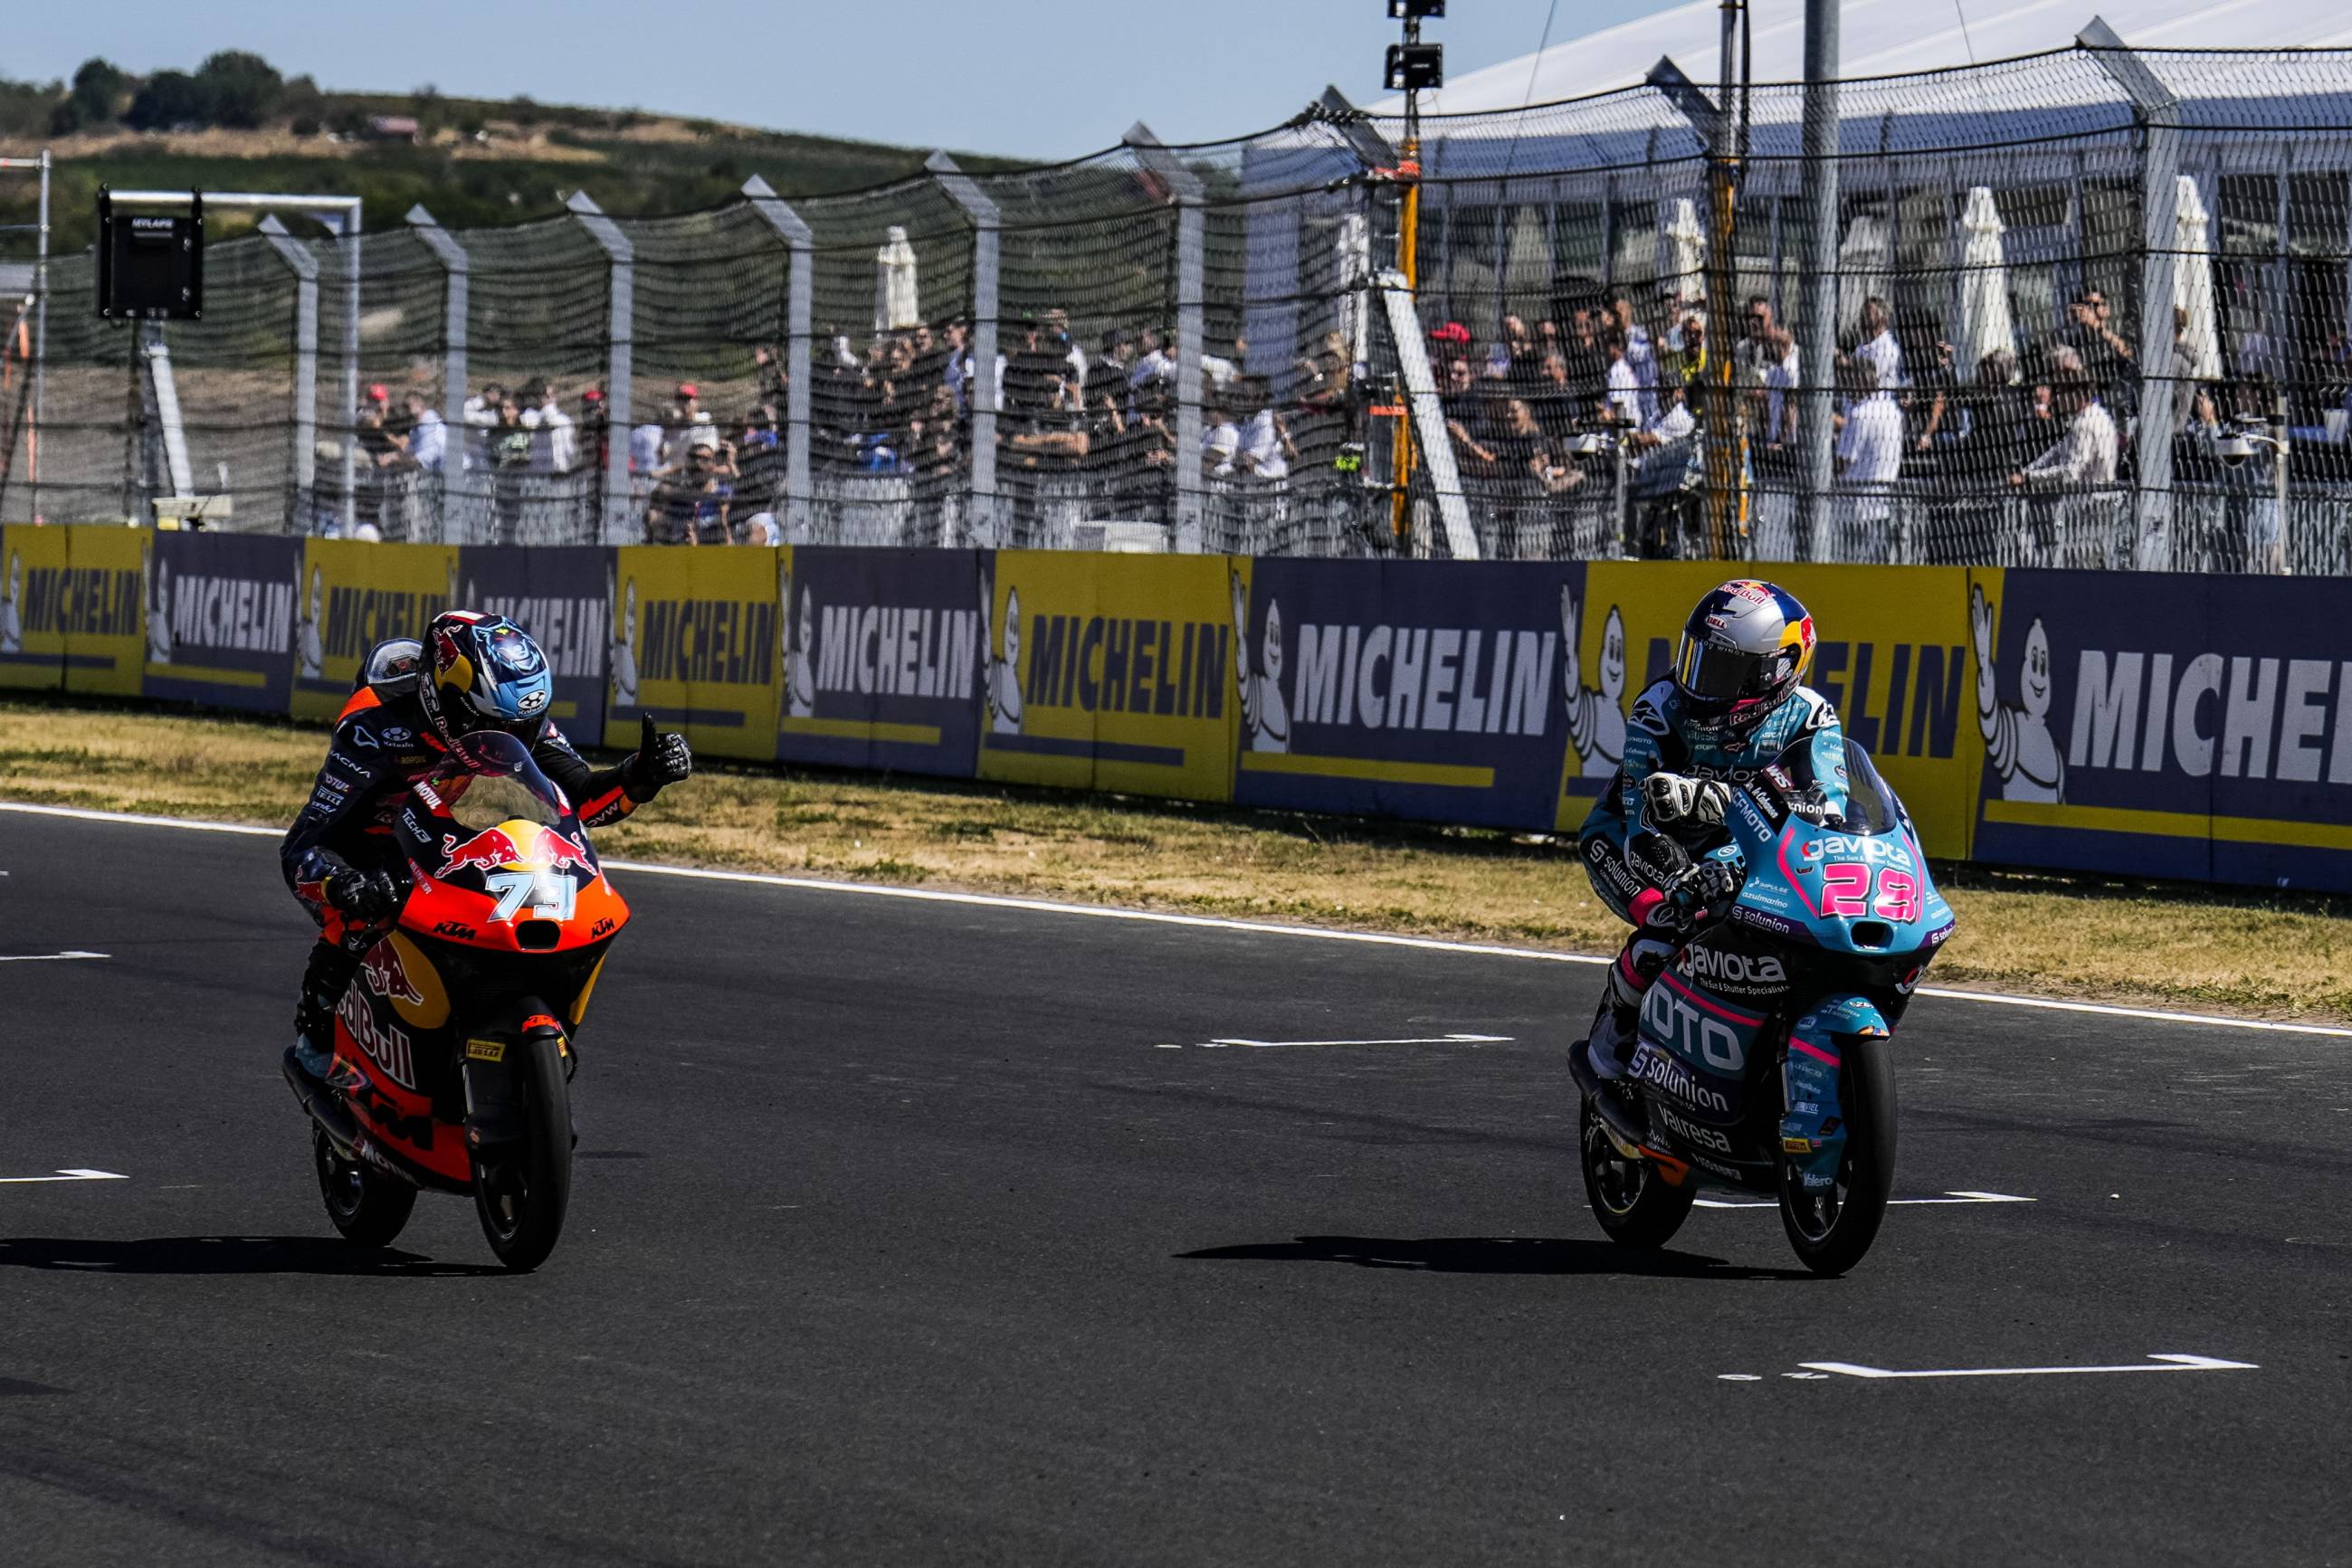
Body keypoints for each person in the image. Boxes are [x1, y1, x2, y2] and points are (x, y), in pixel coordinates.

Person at [281, 613, 692, 1089]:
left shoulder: (520, 722)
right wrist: (341, 882)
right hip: (379, 850)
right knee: (359, 914)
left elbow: (580, 797)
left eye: (526, 725)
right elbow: (305, 844)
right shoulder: (374, 729)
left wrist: (638, 777)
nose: (513, 739)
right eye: (495, 724)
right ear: (445, 701)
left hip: (461, 846)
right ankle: (318, 1036)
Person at [1570, 581, 1845, 1106]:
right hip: (1626, 842)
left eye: (1722, 669)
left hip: (1732, 849)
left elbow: (1826, 806)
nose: (1699, 683)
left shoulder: (1810, 718)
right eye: (1697, 659)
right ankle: (1618, 1021)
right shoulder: (1659, 708)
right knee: (1668, 928)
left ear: (1777, 671)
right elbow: (1641, 826)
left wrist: (1730, 855)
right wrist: (1683, 877)